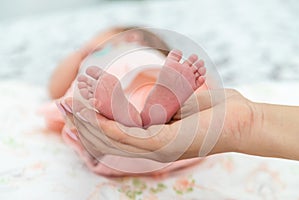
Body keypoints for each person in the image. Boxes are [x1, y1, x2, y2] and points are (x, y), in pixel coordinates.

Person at [42, 26, 207, 176]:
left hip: (114, 157)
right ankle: (150, 117)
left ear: (131, 38)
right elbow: (209, 97)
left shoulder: (124, 54)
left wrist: (84, 51)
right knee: (178, 108)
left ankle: (122, 116)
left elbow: (54, 90)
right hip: (173, 152)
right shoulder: (159, 65)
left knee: (88, 123)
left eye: (97, 46)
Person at [59, 87, 299, 163]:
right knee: (151, 96)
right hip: (181, 122)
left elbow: (55, 93)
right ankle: (147, 107)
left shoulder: (99, 63)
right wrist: (249, 121)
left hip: (117, 144)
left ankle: (130, 111)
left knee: (108, 127)